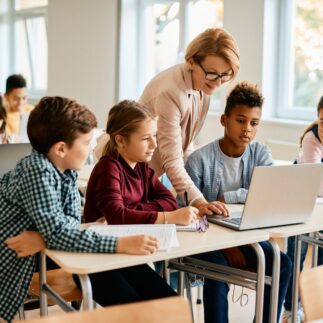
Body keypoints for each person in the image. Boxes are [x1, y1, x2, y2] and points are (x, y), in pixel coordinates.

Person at [0, 96, 176, 322]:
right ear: (61, 148)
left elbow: (71, 225)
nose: (92, 148)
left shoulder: (66, 169)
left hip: (53, 252)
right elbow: (61, 232)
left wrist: (46, 238)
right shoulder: (38, 171)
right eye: (86, 142)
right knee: (136, 305)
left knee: (163, 297)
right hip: (20, 263)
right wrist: (119, 242)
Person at [95, 28, 238, 216]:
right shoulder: (170, 91)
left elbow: (185, 147)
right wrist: (200, 202)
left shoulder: (204, 86)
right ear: (191, 62)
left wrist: (200, 193)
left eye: (225, 75)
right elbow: (172, 159)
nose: (218, 82)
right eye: (212, 73)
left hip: (147, 173)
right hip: (124, 168)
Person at [185, 82, 292, 323]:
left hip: (246, 236)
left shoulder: (260, 154)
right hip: (206, 240)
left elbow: (266, 193)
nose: (247, 129)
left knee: (283, 263)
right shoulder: (199, 160)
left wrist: (226, 198)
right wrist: (226, 245)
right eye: (240, 120)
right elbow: (191, 213)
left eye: (254, 123)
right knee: (218, 269)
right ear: (224, 120)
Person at [84, 100, 198, 226]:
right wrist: (168, 217)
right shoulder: (107, 168)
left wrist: (130, 211)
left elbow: (171, 202)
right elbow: (117, 217)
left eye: (154, 136)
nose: (154, 144)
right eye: (145, 139)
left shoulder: (141, 167)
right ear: (120, 141)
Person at [283, 95, 323, 323]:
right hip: (299, 197)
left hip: (319, 205)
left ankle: (316, 307)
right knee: (296, 252)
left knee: (321, 256)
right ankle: (290, 308)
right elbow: (316, 185)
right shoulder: (312, 138)